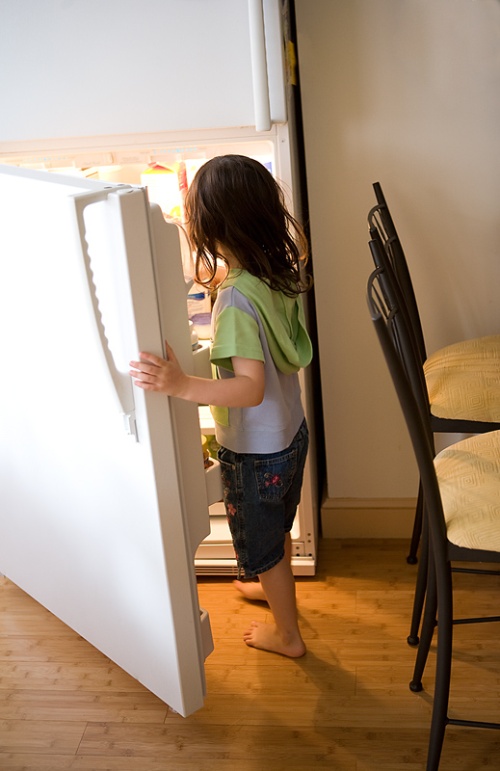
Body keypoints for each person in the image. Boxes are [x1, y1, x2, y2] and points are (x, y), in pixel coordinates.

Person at [129, 155, 313, 658]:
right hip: (290, 434)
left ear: (210, 226)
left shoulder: (235, 298)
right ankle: (273, 589)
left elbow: (249, 388)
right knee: (277, 529)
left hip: (257, 453)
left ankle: (288, 636)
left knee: (264, 545)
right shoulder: (276, 271)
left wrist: (180, 384)